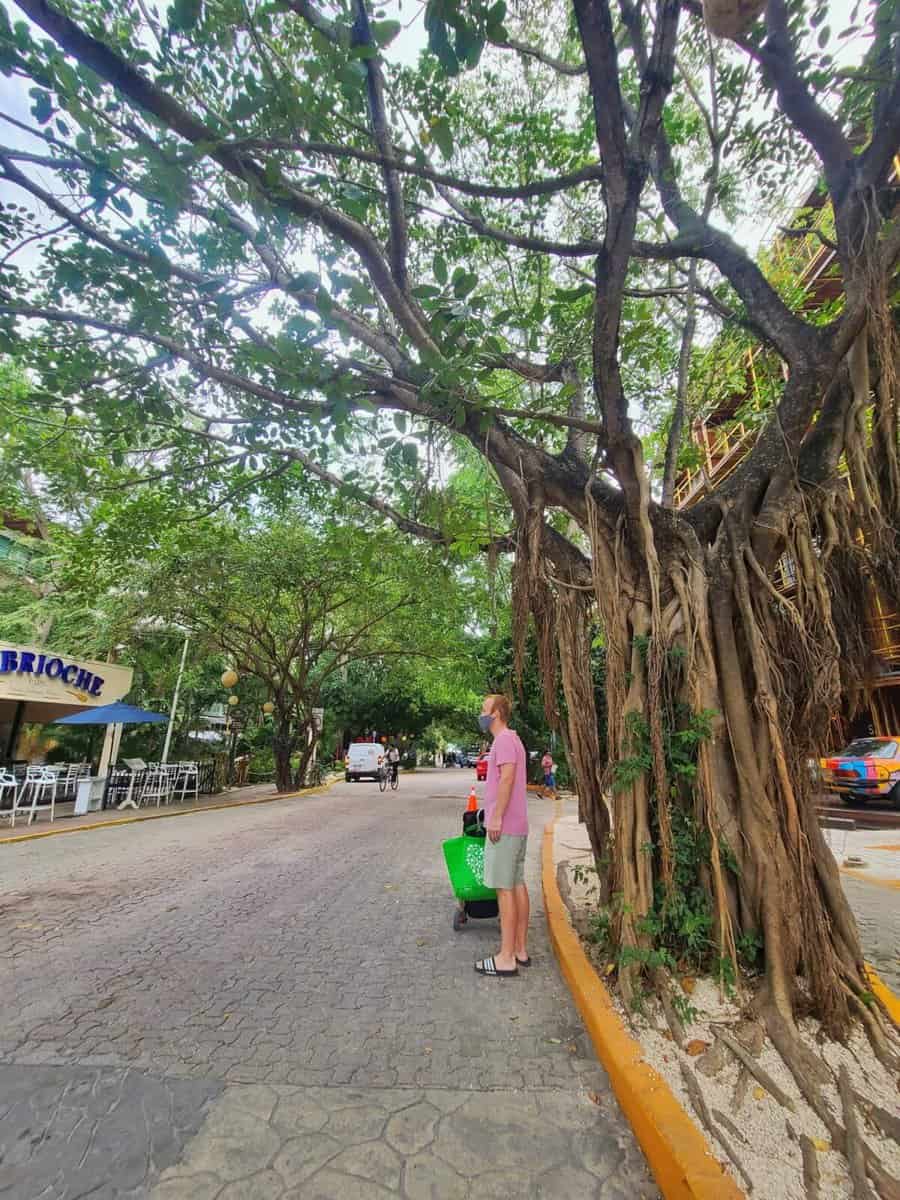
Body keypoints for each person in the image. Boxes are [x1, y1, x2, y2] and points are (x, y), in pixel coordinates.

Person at [474, 694, 530, 978]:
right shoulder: (514, 740)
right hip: (517, 825)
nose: (481, 714)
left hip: (504, 827)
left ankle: (506, 957)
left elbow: (507, 778)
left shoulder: (504, 739)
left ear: (496, 712)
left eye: (484, 710)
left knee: (504, 889)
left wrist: (495, 817)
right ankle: (519, 949)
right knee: (517, 884)